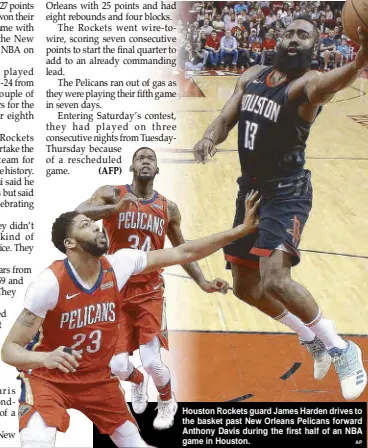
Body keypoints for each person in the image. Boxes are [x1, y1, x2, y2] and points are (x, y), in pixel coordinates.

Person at [193, 17, 368, 401]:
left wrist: (357, 64)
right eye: (289, 32)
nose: (293, 39)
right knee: (245, 288)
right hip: (250, 192)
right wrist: (209, 136)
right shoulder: (254, 74)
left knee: (275, 280)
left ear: (315, 46)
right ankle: (312, 339)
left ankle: (342, 348)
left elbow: (331, 83)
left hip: (287, 193)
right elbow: (227, 117)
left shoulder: (306, 86)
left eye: (303, 35)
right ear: (279, 39)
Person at [1, 195, 260, 448]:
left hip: (97, 380)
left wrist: (240, 230)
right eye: (85, 225)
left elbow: (184, 252)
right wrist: (43, 359)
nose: (96, 226)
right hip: (48, 379)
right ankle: (135, 380)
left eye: (93, 223)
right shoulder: (49, 284)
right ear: (70, 243)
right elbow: (9, 349)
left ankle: (145, 386)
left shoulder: (120, 263)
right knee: (36, 441)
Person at [75, 147, 229, 430]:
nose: (145, 160)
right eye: (140, 157)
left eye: (151, 158)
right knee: (118, 366)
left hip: (150, 292)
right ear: (132, 167)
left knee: (152, 361)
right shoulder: (112, 193)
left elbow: (183, 250)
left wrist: (204, 283)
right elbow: (78, 215)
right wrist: (113, 210)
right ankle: (137, 382)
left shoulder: (168, 208)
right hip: (116, 292)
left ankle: (167, 401)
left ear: (157, 170)